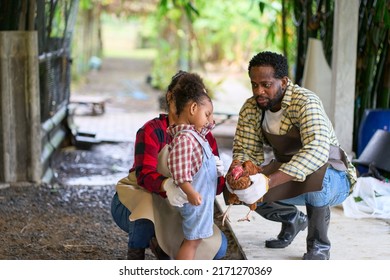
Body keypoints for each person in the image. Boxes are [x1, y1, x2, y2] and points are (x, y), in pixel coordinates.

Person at [228, 51, 357, 260]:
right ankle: (293, 219)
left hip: (332, 175)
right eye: (254, 84)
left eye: (266, 84)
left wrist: (269, 181)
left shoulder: (306, 102)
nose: (258, 91)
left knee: (318, 181)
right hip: (288, 173)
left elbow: (316, 151)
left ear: (284, 81)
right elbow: (245, 150)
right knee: (246, 189)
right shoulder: (252, 108)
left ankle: (319, 246)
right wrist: (240, 174)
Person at [110, 70, 227, 260]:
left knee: (217, 248)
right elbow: (144, 175)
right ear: (170, 98)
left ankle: (163, 248)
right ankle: (135, 253)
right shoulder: (152, 130)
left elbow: (213, 190)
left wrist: (218, 176)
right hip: (141, 200)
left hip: (178, 209)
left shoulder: (206, 138)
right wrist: (168, 185)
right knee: (145, 214)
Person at [166, 73, 218, 259]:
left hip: (201, 202)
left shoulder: (193, 135)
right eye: (208, 114)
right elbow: (180, 174)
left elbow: (205, 127)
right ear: (193, 108)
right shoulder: (185, 139)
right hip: (196, 201)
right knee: (192, 241)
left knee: (194, 240)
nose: (210, 121)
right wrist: (191, 192)